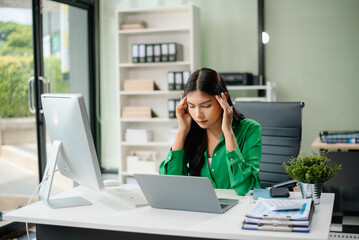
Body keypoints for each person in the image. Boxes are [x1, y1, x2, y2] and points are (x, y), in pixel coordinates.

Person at [159, 67, 262, 195]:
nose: (198, 115)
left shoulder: (250, 129)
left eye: (206, 106)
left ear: (223, 99)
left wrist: (228, 132)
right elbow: (171, 184)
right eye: (191, 106)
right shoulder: (192, 130)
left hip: (237, 211)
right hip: (198, 209)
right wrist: (181, 130)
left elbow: (245, 189)